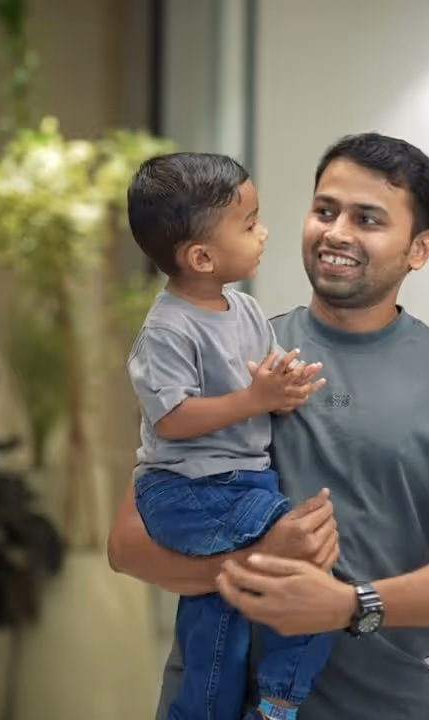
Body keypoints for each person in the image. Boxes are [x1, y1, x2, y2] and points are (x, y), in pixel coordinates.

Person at [109, 132, 429, 720]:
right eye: (325, 210)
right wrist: (249, 565)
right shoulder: (237, 355)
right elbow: (127, 546)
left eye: (369, 219)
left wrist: (348, 605)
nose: (337, 232)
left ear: (419, 248)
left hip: (380, 705)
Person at [124, 151, 334, 720]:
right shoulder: (166, 330)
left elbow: (263, 380)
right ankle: (277, 702)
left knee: (220, 617)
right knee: (306, 566)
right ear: (200, 256)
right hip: (185, 490)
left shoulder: (242, 309)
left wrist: (283, 386)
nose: (264, 232)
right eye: (250, 223)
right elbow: (171, 420)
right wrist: (255, 400)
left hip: (243, 484)